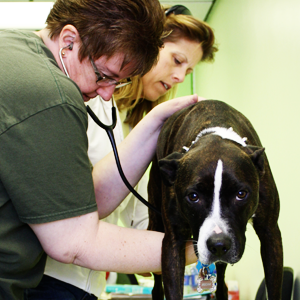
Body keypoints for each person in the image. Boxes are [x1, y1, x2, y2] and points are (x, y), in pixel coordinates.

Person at [0, 0, 200, 299]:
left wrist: (153, 124)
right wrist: (197, 247)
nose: (106, 94)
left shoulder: (14, 48)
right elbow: (75, 241)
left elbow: (78, 201)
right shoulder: (52, 95)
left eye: (118, 83)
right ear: (68, 41)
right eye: (104, 76)